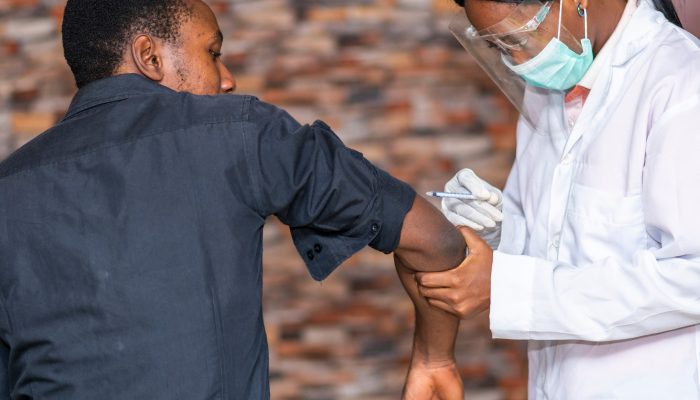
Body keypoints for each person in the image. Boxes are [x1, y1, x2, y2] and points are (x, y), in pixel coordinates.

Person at [0, 0, 473, 398]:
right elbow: (437, 243)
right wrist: (435, 358)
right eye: (213, 52)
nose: (226, 79)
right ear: (149, 56)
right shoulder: (239, 133)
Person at [417, 0, 700, 398]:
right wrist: (499, 231)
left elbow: (691, 276)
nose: (517, 61)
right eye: (499, 47)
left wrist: (510, 291)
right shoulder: (545, 87)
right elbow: (553, 241)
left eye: (516, 39)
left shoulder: (682, 86)